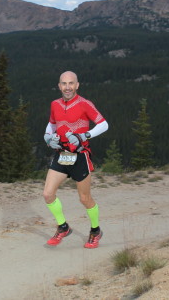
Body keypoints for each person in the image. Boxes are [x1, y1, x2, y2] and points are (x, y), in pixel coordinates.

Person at [43, 71, 109, 248]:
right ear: (59, 86)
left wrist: (84, 136)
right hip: (61, 154)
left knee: (85, 198)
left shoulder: (84, 104)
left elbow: (104, 124)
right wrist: (47, 136)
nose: (67, 87)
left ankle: (95, 231)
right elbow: (52, 123)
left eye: (71, 83)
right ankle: (63, 227)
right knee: (48, 194)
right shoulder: (55, 104)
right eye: (64, 84)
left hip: (80, 156)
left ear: (77, 85)